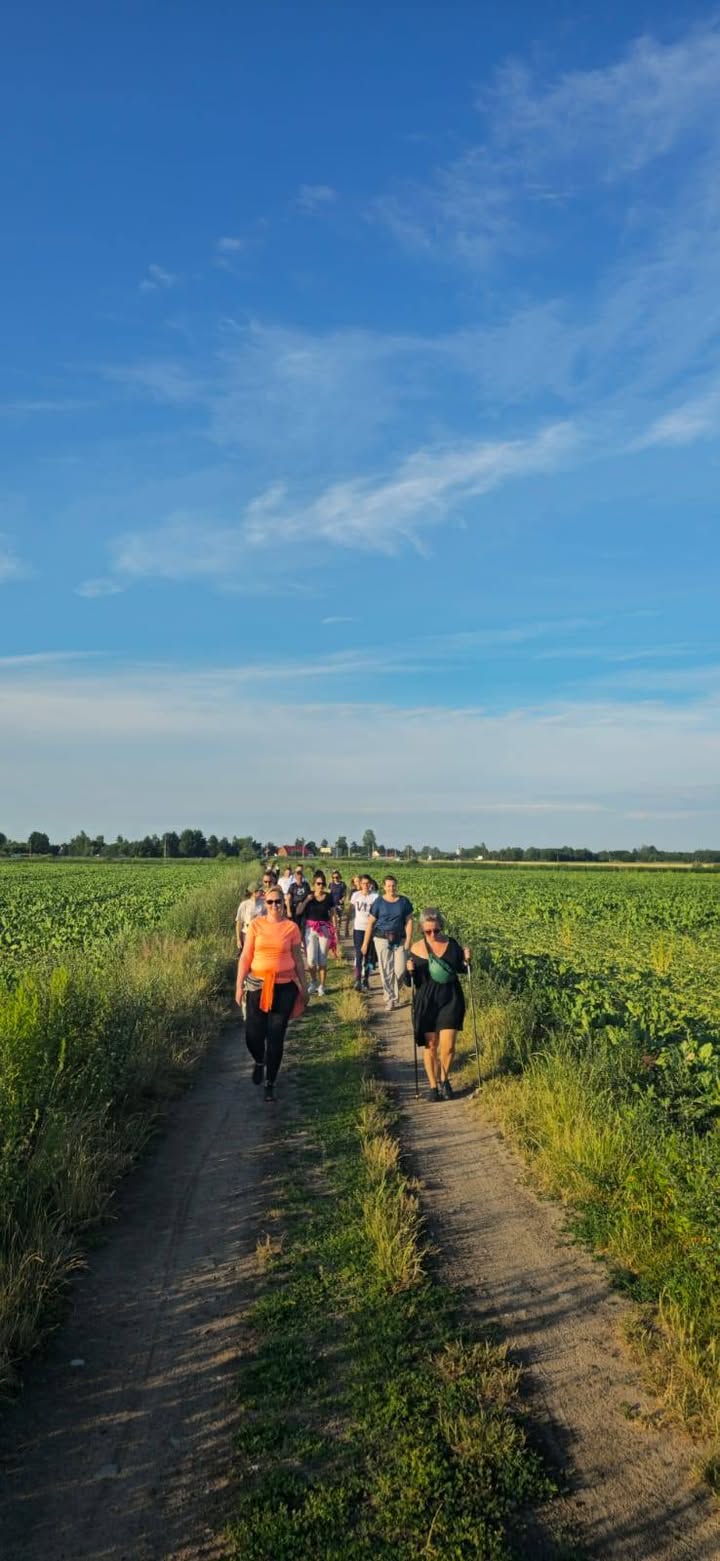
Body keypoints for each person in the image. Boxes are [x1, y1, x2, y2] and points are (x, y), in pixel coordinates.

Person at [235, 888, 307, 1101]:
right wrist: (239, 986)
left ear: (284, 903)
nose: (274, 905)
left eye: (278, 902)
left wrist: (304, 987)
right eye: (270, 902)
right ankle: (259, 1061)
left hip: (284, 987)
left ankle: (270, 1082)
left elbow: (298, 959)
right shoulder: (256, 925)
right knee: (252, 1034)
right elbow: (246, 956)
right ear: (264, 904)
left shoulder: (291, 928)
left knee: (276, 1035)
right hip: (257, 985)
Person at [405, 908, 471, 1101]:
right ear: (421, 930)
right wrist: (409, 970)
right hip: (426, 1002)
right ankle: (433, 1087)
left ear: (441, 926)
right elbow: (409, 982)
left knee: (448, 1046)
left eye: (436, 930)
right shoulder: (415, 949)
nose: (433, 935)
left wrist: (467, 960)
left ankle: (444, 1080)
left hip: (451, 998)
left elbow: (463, 969)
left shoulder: (452, 944)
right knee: (431, 1045)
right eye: (428, 931)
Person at [362, 875, 413, 1010]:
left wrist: (408, 939)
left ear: (396, 886)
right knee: (386, 969)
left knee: (400, 970)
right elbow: (370, 923)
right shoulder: (379, 902)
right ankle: (390, 998)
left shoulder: (404, 902)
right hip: (382, 938)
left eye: (393, 885)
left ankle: (394, 991)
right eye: (389, 886)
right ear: (384, 887)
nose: (391, 888)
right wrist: (365, 943)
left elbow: (409, 921)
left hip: (400, 939)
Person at [298, 869, 337, 996]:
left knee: (322, 960)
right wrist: (306, 900)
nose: (321, 886)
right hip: (310, 929)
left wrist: (335, 930)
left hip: (324, 929)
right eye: (318, 883)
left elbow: (333, 914)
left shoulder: (329, 897)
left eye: (322, 883)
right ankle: (314, 981)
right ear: (314, 884)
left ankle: (322, 986)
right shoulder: (308, 895)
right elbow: (298, 911)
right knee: (310, 960)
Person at [350, 873, 378, 990]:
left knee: (369, 956)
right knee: (359, 954)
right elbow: (351, 909)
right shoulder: (355, 895)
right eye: (363, 883)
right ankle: (357, 980)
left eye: (367, 883)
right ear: (360, 884)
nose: (365, 885)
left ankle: (366, 979)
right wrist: (347, 925)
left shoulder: (375, 897)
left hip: (370, 929)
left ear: (370, 884)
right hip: (358, 929)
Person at [235, 879, 267, 951]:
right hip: (246, 934)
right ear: (254, 892)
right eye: (260, 890)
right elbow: (239, 922)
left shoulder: (264, 903)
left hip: (260, 935)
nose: (262, 892)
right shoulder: (244, 904)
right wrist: (238, 939)